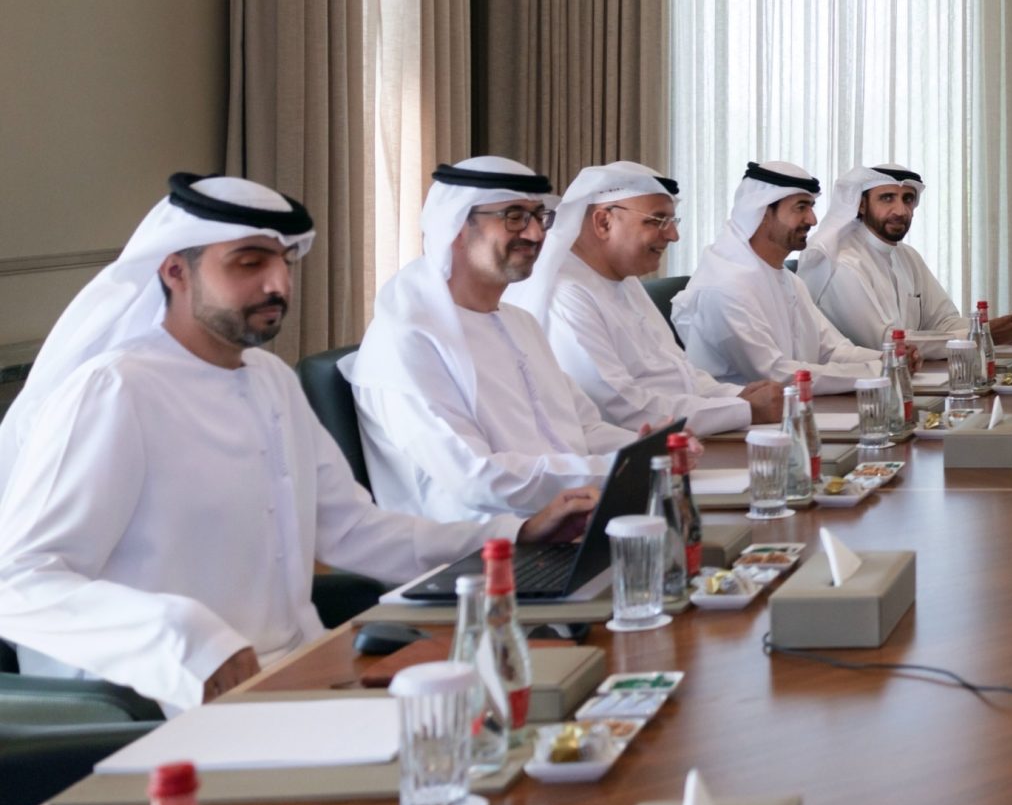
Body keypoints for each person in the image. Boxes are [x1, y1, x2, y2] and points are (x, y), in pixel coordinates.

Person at [0, 175, 589, 711]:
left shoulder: (269, 379)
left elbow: (352, 530)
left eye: (283, 263)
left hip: (300, 672)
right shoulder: (115, 391)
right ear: (175, 272)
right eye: (249, 263)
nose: (277, 284)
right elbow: (19, 581)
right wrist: (185, 640)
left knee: (553, 709)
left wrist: (515, 534)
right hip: (173, 703)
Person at [344, 158, 638, 530]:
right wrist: (618, 469)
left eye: (539, 216)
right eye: (514, 217)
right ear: (456, 226)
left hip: (574, 517)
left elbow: (584, 429)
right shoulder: (406, 339)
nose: (536, 234)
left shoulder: (520, 323)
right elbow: (474, 478)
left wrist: (648, 450)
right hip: (478, 549)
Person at [507, 161, 781, 436]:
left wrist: (737, 396)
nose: (673, 235)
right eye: (658, 220)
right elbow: (619, 409)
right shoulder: (566, 294)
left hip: (685, 434)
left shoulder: (625, 280)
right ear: (604, 222)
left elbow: (679, 372)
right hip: (635, 446)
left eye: (672, 222)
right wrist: (745, 409)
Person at [674, 160, 882, 391]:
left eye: (811, 207)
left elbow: (831, 349)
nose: (812, 220)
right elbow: (775, 373)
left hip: (796, 405)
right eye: (800, 207)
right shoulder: (725, 286)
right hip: (740, 413)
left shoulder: (790, 281)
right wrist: (874, 371)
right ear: (762, 213)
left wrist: (888, 359)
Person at [800, 162, 1012, 353]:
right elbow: (886, 343)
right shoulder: (842, 263)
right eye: (887, 198)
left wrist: (992, 329)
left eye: (907, 199)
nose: (900, 211)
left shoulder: (907, 256)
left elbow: (942, 321)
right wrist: (980, 336)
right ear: (861, 205)